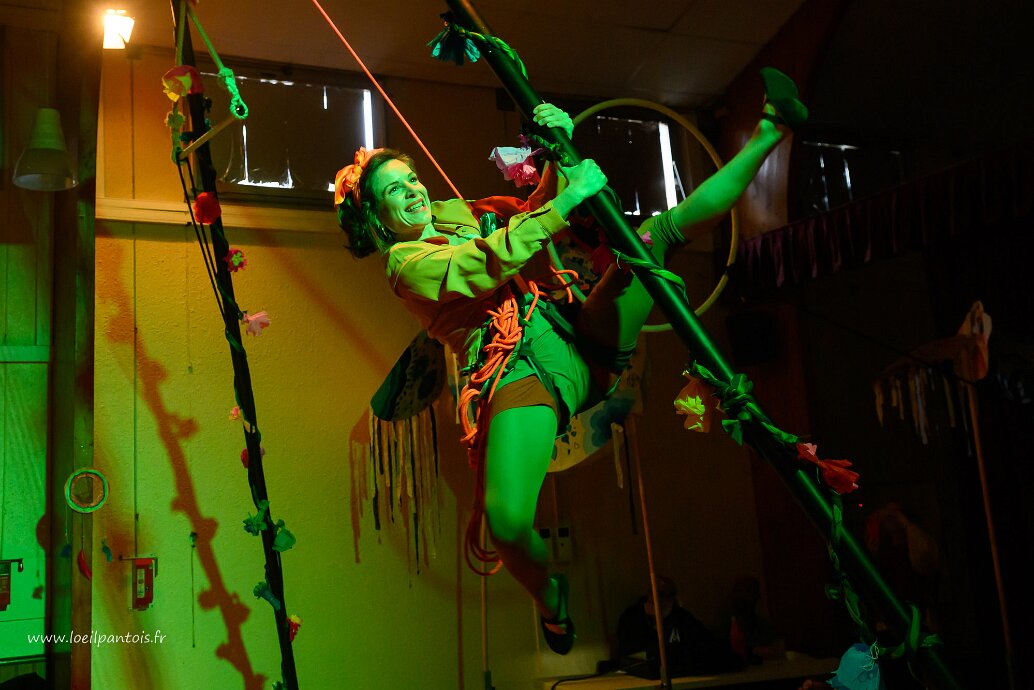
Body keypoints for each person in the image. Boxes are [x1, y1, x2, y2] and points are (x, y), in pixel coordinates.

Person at [335, 69, 803, 655]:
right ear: (378, 219)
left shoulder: (456, 212)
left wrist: (555, 153)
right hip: (514, 375)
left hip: (574, 337)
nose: (413, 192)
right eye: (395, 192)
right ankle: (549, 598)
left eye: (411, 180)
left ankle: (768, 130)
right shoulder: (404, 265)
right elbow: (490, 260)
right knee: (505, 525)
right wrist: (566, 199)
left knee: (654, 235)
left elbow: (527, 211)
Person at [616, 576, 744, 677]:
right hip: (642, 678)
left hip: (680, 677)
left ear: (672, 598)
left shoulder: (682, 617)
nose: (656, 598)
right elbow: (632, 654)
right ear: (648, 593)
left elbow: (705, 642)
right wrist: (654, 626)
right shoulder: (633, 617)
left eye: (662, 594)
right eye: (653, 592)